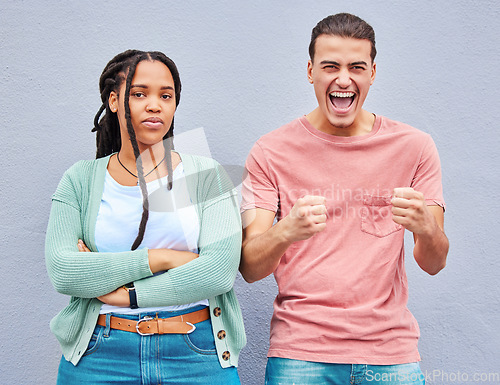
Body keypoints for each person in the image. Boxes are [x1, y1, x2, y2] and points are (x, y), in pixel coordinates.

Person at [240, 13, 449, 385]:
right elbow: (250, 268)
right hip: (299, 355)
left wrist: (426, 227)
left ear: (372, 73)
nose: (343, 79)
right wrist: (285, 230)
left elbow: (434, 262)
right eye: (330, 66)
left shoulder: (414, 147)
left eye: (356, 67)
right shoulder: (270, 151)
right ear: (310, 72)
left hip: (390, 356)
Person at [45, 49, 246, 384]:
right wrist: (161, 258)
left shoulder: (202, 175)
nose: (155, 105)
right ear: (113, 101)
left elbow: (218, 272)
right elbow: (64, 271)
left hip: (195, 354)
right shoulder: (81, 179)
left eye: (166, 96)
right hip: (100, 355)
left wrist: (126, 295)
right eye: (139, 94)